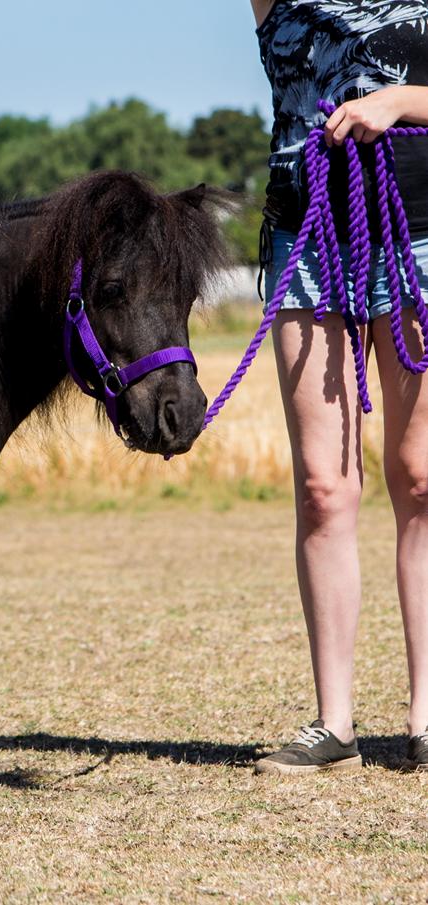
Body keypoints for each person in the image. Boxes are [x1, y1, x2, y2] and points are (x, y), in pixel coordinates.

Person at [250, 0, 428, 773]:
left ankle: (427, 714)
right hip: (308, 236)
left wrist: (398, 102)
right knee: (325, 487)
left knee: (421, 477)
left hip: (417, 230)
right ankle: (335, 723)